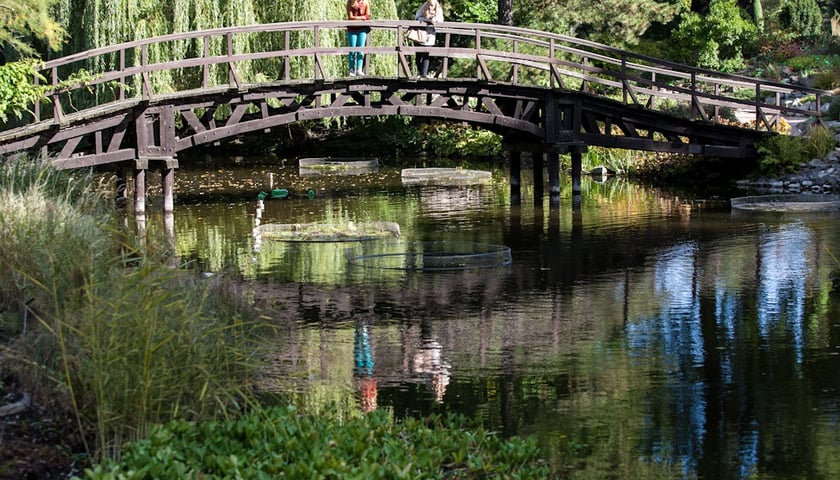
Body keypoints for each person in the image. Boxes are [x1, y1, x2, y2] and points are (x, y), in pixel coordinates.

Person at [413, 0, 443, 78]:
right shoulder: (423, 8)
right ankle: (420, 72)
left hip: (430, 36)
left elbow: (440, 20)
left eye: (432, 5)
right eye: (429, 5)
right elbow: (417, 17)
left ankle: (424, 74)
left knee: (426, 55)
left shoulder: (438, 10)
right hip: (420, 34)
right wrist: (427, 20)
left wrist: (434, 20)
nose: (430, 7)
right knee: (418, 56)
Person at [346, 0, 371, 77]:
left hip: (362, 29)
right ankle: (351, 70)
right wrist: (361, 18)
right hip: (352, 29)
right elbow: (350, 17)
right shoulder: (350, 2)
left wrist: (360, 18)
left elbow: (368, 16)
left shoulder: (366, 3)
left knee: (361, 49)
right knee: (352, 50)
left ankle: (359, 69)